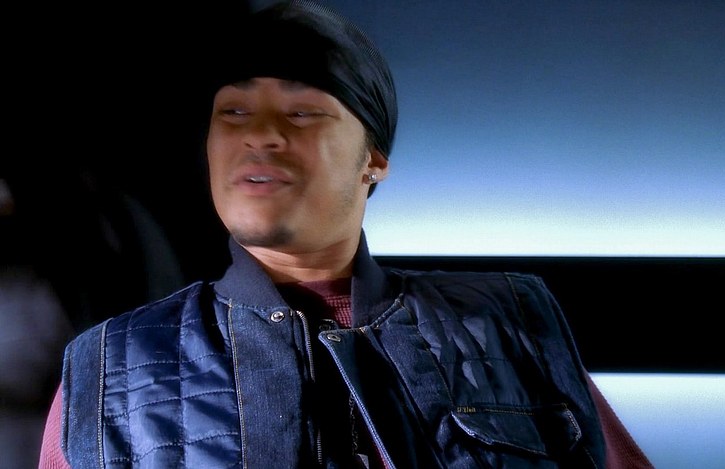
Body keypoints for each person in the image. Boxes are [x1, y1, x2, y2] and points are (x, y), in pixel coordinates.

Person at [39, 1, 654, 467]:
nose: (261, 134)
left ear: (373, 160)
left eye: (303, 112)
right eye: (234, 112)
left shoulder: (509, 323)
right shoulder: (109, 364)